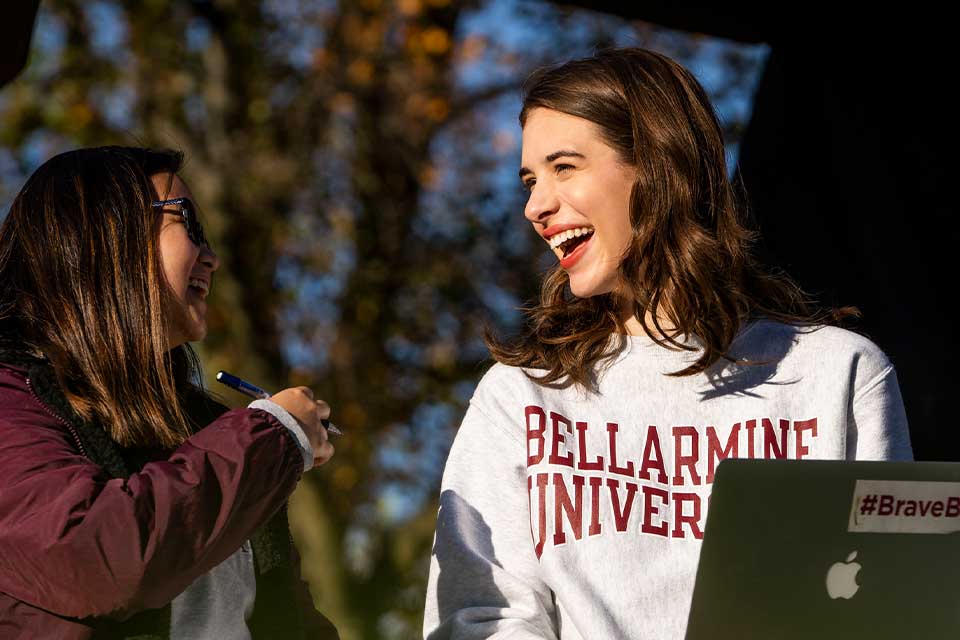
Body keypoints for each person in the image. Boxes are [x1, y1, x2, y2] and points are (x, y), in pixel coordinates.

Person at [422, 48, 912, 640]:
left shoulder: (839, 373)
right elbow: (483, 618)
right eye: (530, 179)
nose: (535, 206)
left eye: (564, 167)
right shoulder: (521, 397)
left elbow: (885, 606)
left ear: (657, 165)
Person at [0, 146, 339, 639]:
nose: (212, 257)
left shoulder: (209, 430)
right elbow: (94, 559)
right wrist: (272, 436)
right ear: (102, 237)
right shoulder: (10, 403)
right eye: (188, 225)